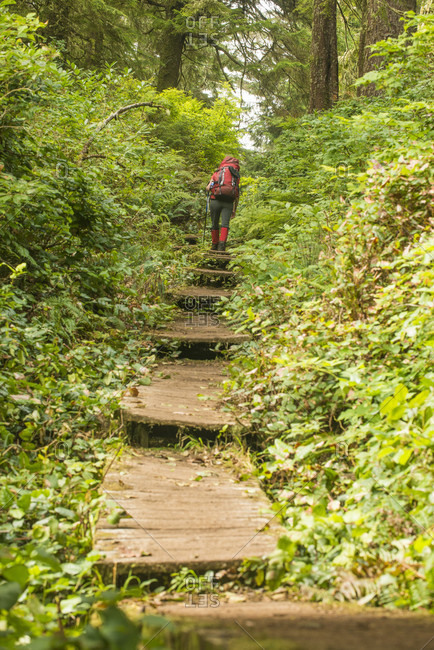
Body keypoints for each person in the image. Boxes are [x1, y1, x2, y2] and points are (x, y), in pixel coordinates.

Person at [206, 155, 240, 251]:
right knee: (225, 224)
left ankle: (214, 245)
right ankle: (222, 246)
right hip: (228, 203)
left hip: (215, 201)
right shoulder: (235, 175)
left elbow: (208, 188)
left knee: (214, 223)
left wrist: (210, 187)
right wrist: (234, 209)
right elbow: (237, 193)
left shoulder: (217, 173)